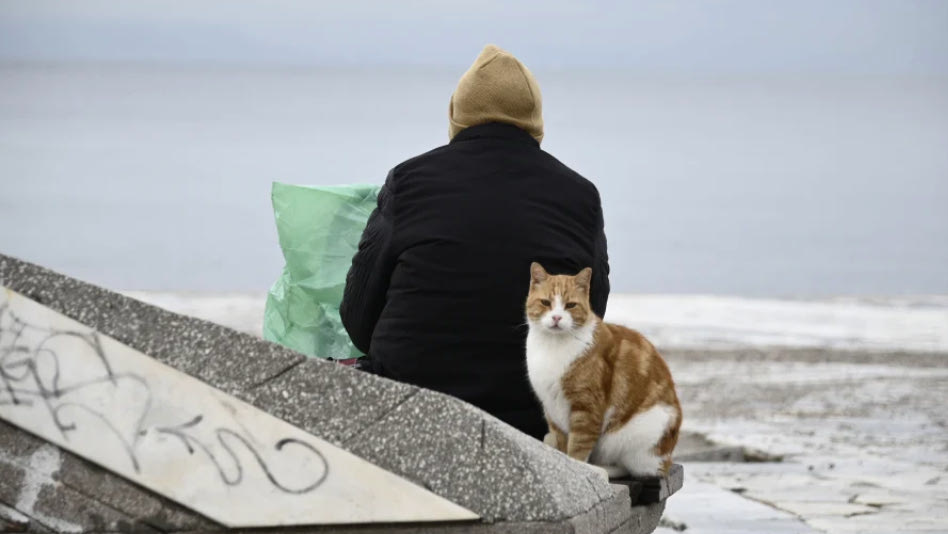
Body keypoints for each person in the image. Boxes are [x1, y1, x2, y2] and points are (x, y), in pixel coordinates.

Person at [340, 44, 609, 439]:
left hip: (409, 409)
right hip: (534, 420)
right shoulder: (581, 197)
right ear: (535, 121)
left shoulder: (409, 182)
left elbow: (357, 317)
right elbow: (588, 317)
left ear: (455, 114)